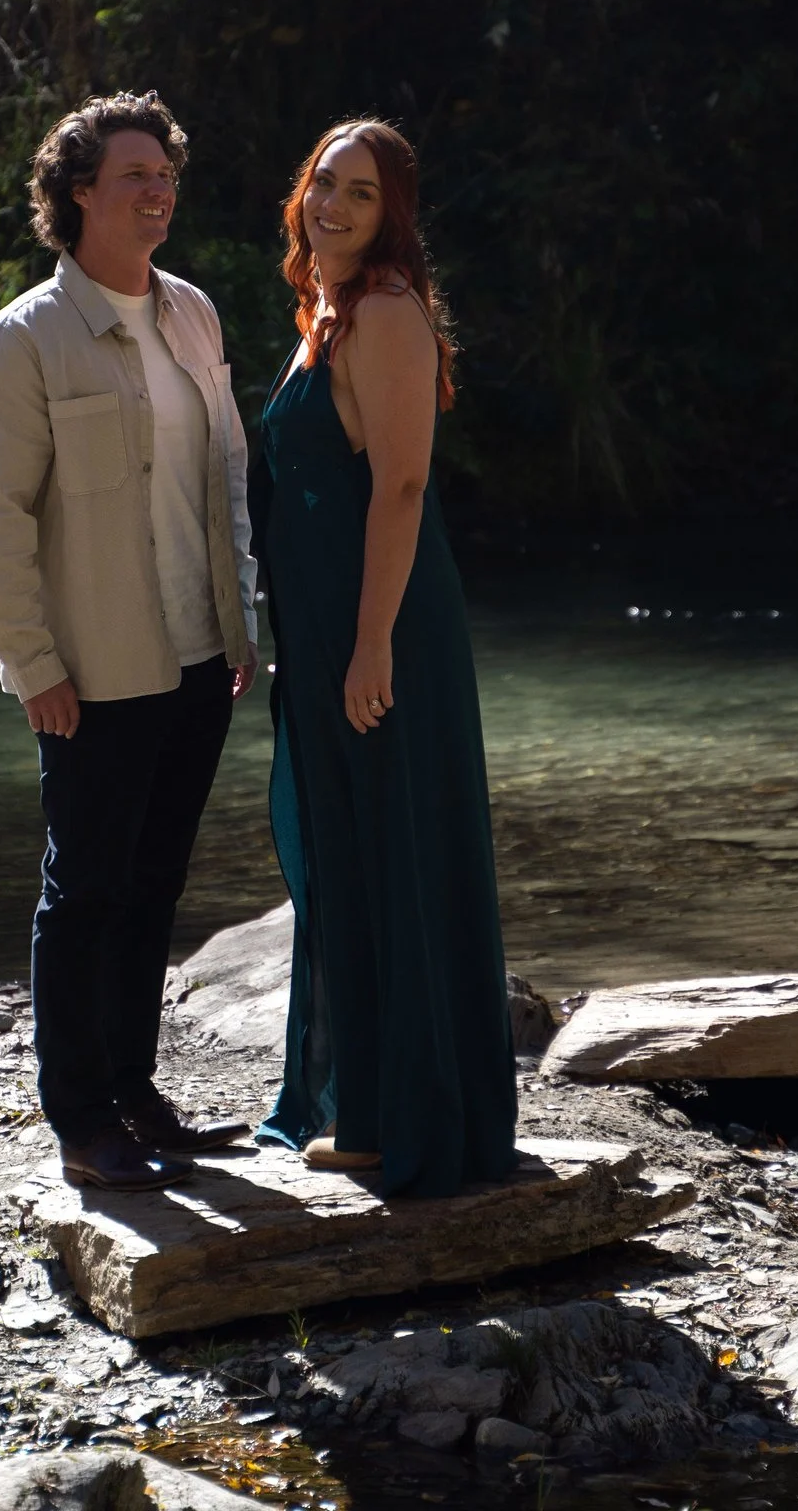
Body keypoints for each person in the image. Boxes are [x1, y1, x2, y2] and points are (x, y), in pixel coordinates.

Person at [0, 91, 261, 1192]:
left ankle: (137, 1094)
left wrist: (243, 616)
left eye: (166, 174)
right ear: (77, 192)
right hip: (92, 666)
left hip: (198, 653)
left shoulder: (193, 313)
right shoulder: (23, 338)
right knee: (83, 889)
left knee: (153, 885)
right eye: (134, 174)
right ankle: (81, 1121)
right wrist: (31, 663)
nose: (157, 192)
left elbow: (224, 476)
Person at [253, 120, 518, 1198]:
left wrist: (369, 643)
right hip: (323, 624)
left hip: (385, 627)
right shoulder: (325, 309)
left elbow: (401, 488)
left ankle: (401, 1113)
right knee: (346, 845)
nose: (334, 205)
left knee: (392, 844)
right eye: (323, 181)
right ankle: (356, 1102)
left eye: (361, 194)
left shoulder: (391, 313)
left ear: (391, 214)